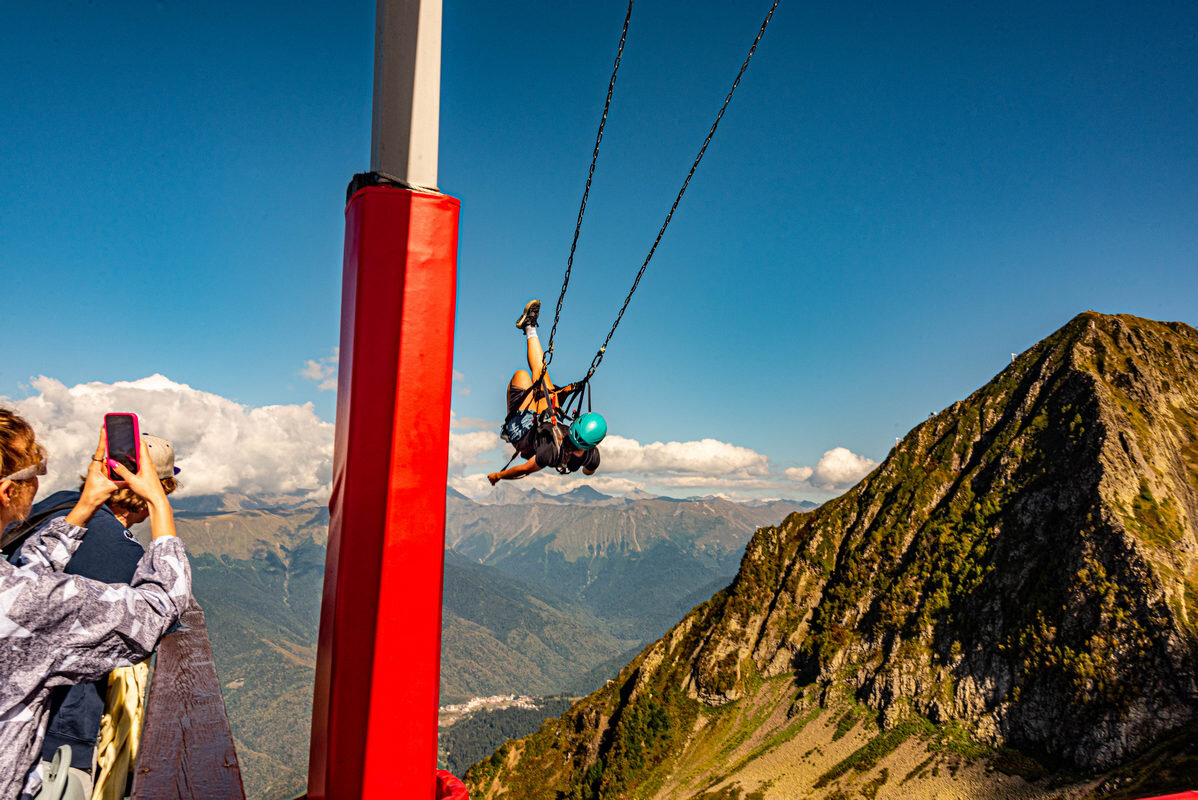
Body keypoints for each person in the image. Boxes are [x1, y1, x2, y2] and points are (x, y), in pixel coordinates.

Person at [0, 409, 191, 800]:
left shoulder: (18, 588)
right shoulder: (29, 601)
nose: (42, 478)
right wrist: (160, 505)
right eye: (37, 468)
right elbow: (160, 606)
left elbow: (24, 576)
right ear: (7, 491)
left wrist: (84, 508)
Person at [487, 299, 607, 486]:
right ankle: (529, 326)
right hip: (544, 423)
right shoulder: (591, 455)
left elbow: (523, 469)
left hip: (523, 434)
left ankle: (530, 328)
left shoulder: (549, 451)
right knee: (543, 381)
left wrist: (498, 476)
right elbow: (589, 471)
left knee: (523, 376)